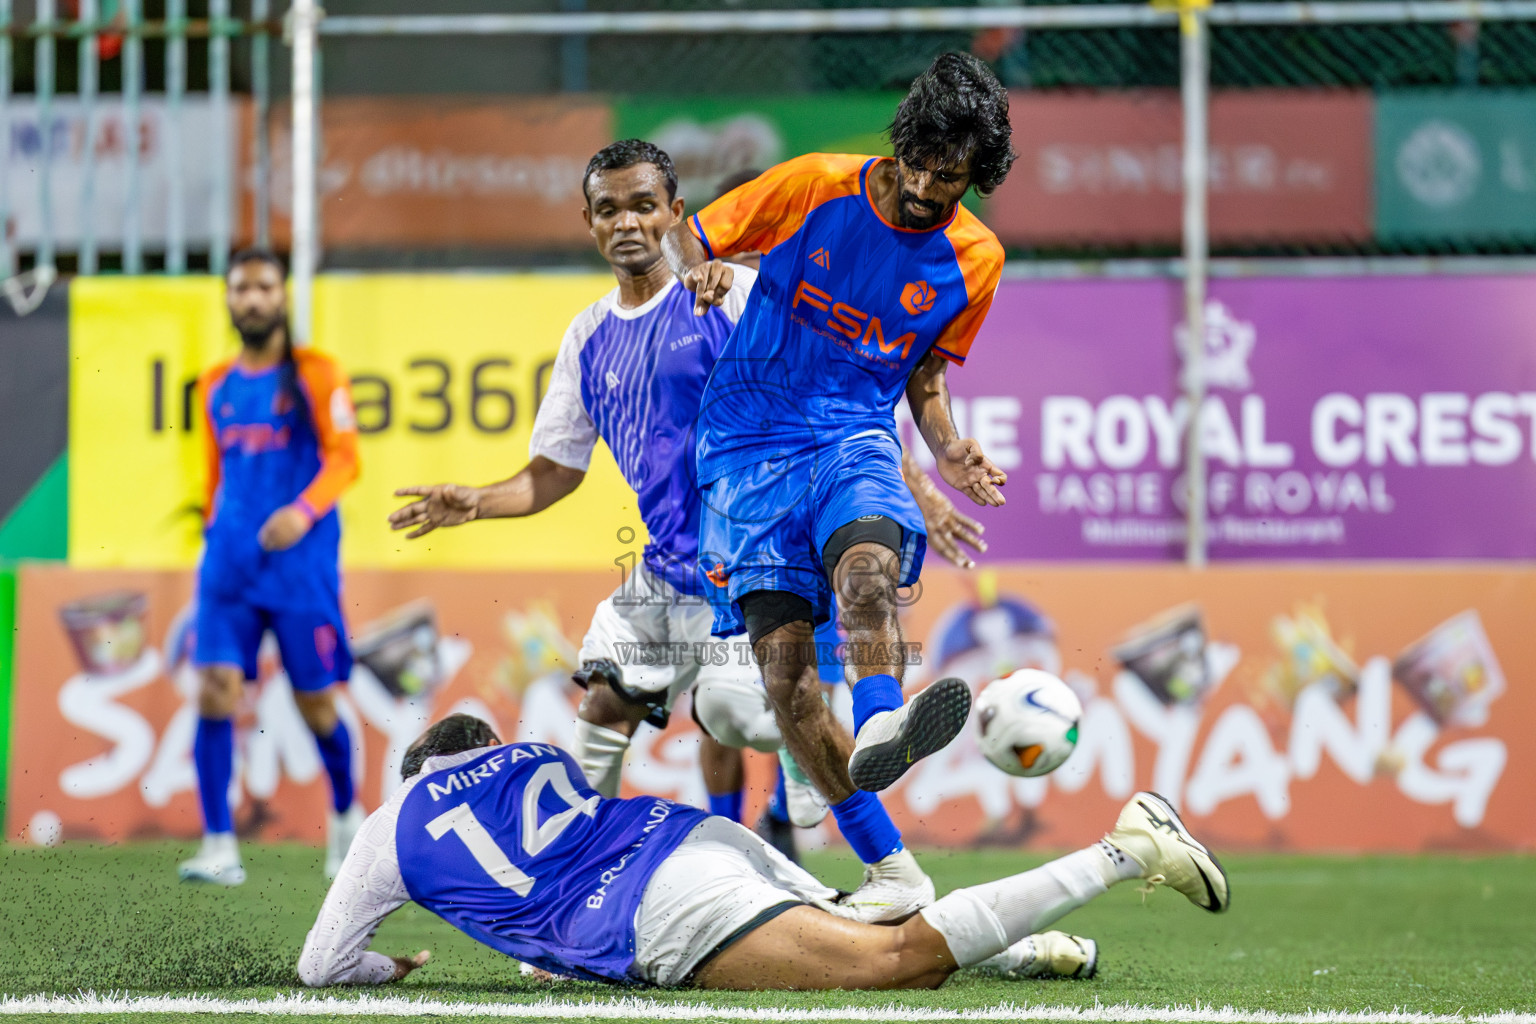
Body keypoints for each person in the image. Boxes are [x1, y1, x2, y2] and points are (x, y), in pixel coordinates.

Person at [388, 142, 959, 919]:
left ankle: (828, 778)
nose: (629, 223)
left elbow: (842, 396)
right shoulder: (586, 338)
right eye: (609, 209)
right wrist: (477, 502)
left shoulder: (733, 297)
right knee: (602, 710)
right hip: (665, 569)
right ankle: (572, 895)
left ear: (675, 213)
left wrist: (916, 485)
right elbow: (553, 472)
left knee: (732, 714)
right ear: (588, 224)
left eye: (644, 205)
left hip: (750, 557)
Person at [659, 53, 1014, 822]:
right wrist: (699, 272)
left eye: (948, 177)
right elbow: (692, 235)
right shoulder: (816, 183)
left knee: (868, 577)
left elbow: (925, 376)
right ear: (902, 143)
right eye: (917, 164)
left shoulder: (978, 260)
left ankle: (883, 718)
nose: (924, 188)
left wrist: (948, 447)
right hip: (748, 443)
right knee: (786, 685)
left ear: (978, 172)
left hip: (853, 438)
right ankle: (864, 858)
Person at [298, 714, 1229, 990]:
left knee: (890, 966)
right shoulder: (532, 751)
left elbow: (321, 965)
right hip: (690, 833)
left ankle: (1123, 847)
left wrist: (397, 964)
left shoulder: (388, 826)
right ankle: (1026, 952)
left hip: (656, 909)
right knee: (858, 918)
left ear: (413, 770)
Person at [179, 248, 362, 887]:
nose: (251, 299)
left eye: (262, 287)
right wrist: (211, 529)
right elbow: (213, 472)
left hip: (299, 569)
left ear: (282, 295)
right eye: (240, 289)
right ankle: (218, 844)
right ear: (228, 300)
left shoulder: (317, 374)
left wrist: (302, 512)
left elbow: (345, 460)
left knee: (316, 703)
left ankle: (345, 816)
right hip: (229, 569)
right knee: (214, 690)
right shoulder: (215, 385)